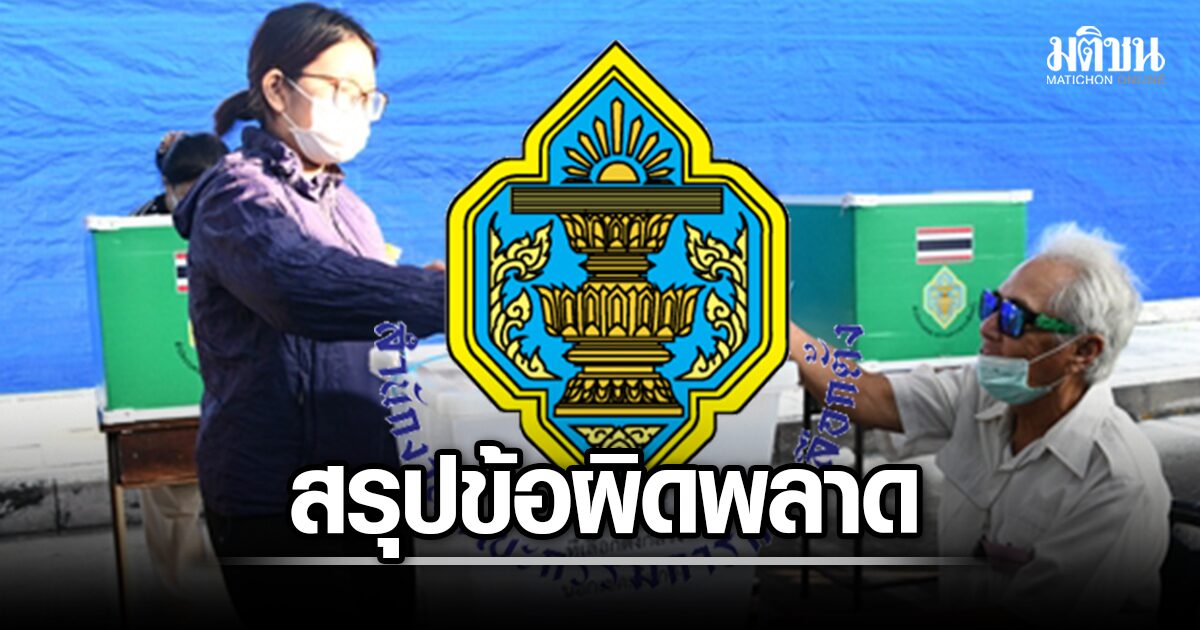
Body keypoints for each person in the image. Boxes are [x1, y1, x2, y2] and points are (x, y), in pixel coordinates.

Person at [171, 3, 444, 624]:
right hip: (276, 495)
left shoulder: (350, 208)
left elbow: (371, 311)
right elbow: (301, 288)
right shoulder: (238, 196)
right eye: (341, 89)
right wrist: (448, 298)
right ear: (277, 88)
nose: (357, 109)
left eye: (368, 97)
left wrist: (420, 286)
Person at [789, 223, 1170, 621]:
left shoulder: (1117, 481)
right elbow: (869, 396)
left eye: (1013, 318)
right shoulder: (982, 395)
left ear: (1084, 351)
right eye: (992, 306)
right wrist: (772, 324)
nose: (987, 328)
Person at [132, 131, 229, 216]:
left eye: (212, 199)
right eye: (189, 201)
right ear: (167, 186)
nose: (199, 211)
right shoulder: (140, 222)